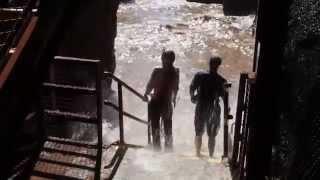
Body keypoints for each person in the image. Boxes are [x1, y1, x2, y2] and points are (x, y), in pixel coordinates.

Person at [189, 56, 227, 158]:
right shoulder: (221, 80)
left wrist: (192, 96)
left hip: (203, 106)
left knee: (201, 132)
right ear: (218, 65)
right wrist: (227, 109)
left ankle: (199, 154)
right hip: (212, 107)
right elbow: (224, 97)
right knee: (210, 134)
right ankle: (209, 156)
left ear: (209, 63)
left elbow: (192, 87)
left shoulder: (200, 76)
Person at [144, 50, 179, 150]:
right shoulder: (175, 72)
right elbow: (176, 87)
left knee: (155, 126)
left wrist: (145, 94)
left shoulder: (157, 70)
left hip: (155, 102)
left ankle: (156, 149)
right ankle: (168, 149)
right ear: (173, 59)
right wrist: (174, 99)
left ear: (163, 59)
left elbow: (151, 84)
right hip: (167, 102)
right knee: (168, 126)